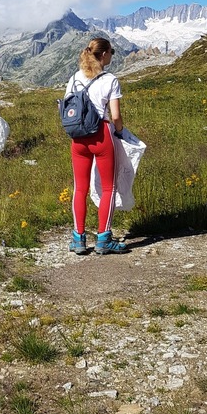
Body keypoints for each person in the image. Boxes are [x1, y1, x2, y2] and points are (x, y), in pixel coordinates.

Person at [67, 37, 127, 255]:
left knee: (80, 188)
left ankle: (78, 239)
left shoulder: (74, 78)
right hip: (101, 136)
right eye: (111, 51)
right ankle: (103, 239)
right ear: (103, 55)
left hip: (78, 138)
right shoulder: (110, 80)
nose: (112, 55)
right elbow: (116, 116)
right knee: (109, 188)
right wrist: (119, 132)